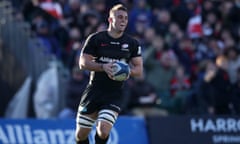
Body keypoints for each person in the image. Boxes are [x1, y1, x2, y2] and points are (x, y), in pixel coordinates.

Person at [76, 4, 143, 144]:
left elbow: (139, 70)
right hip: (94, 90)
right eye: (119, 17)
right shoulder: (96, 39)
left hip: (114, 93)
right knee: (81, 135)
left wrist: (126, 71)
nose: (123, 21)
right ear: (110, 20)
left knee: (103, 130)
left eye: (125, 18)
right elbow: (83, 63)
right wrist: (103, 67)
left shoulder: (132, 43)